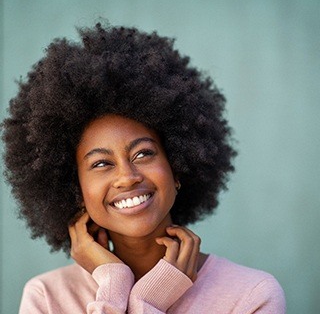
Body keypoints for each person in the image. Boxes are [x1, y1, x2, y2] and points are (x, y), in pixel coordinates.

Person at [1, 23, 286, 313]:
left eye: (143, 154)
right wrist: (121, 287)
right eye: (101, 163)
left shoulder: (251, 295)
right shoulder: (47, 298)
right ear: (76, 188)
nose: (127, 177)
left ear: (176, 166)